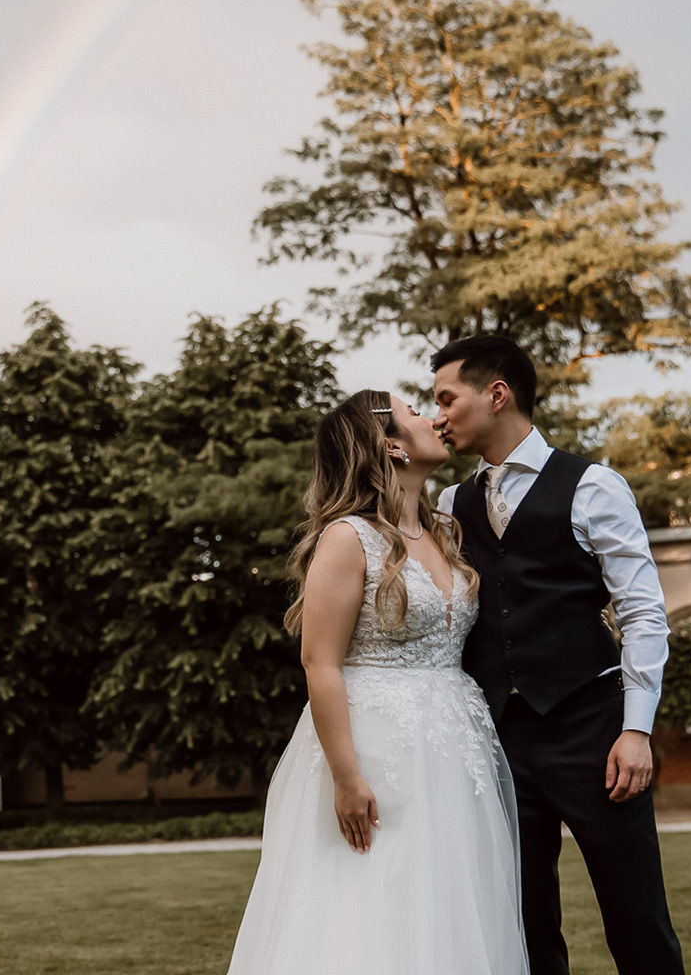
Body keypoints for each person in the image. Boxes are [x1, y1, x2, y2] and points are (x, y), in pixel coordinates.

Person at [226, 389, 528, 975]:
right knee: (375, 896)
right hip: (375, 745)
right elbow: (320, 662)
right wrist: (346, 778)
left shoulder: (445, 529)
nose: (434, 418)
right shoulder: (347, 537)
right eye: (416, 412)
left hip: (453, 746)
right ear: (389, 443)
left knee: (450, 899)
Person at [429, 336, 685, 975]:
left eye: (445, 399)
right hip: (496, 737)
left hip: (593, 728)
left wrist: (636, 729)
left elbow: (644, 612)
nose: (437, 417)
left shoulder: (594, 486)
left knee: (636, 913)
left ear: (497, 393)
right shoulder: (447, 505)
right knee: (520, 920)